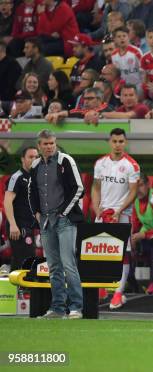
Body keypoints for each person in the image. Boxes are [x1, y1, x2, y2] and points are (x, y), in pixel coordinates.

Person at [28, 129, 85, 319]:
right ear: (39, 146)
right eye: (45, 144)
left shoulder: (66, 161)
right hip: (45, 221)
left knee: (69, 264)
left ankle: (76, 307)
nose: (49, 146)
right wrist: (36, 213)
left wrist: (63, 213)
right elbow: (31, 192)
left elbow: (79, 188)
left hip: (65, 220)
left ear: (55, 142)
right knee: (53, 267)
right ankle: (58, 308)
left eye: (52, 143)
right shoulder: (35, 165)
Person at [92, 128, 140, 310]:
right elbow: (96, 187)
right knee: (99, 252)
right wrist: (96, 208)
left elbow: (133, 191)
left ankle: (118, 293)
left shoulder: (132, 165)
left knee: (122, 254)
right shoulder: (100, 163)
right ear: (109, 142)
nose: (118, 145)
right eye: (115, 141)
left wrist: (119, 210)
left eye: (121, 141)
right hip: (103, 214)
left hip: (122, 215)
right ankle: (102, 290)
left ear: (125, 142)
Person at [4, 146, 38, 270]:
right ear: (22, 159)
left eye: (36, 157)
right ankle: (23, 289)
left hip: (29, 226)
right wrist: (13, 225)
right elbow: (7, 202)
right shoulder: (16, 177)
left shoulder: (35, 177)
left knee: (22, 259)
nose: (34, 159)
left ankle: (14, 288)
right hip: (18, 226)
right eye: (31, 157)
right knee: (25, 259)